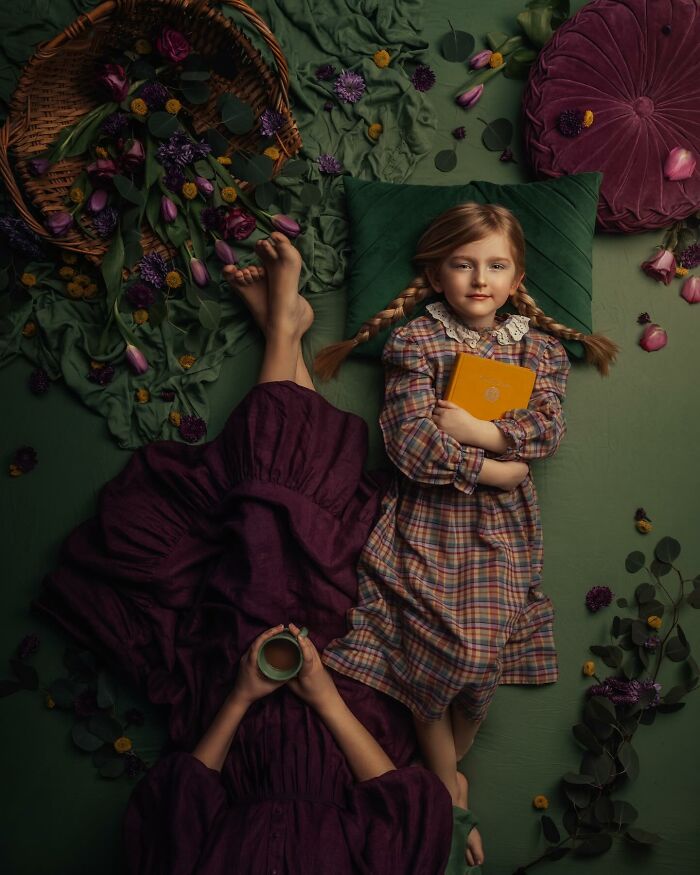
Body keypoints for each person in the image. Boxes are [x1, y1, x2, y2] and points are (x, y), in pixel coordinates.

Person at [36, 233, 476, 874]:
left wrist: (241, 695)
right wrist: (324, 695)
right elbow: (408, 804)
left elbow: (175, 804)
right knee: (306, 538)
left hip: (235, 718)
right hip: (349, 713)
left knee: (260, 546)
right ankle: (282, 332)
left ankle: (283, 332)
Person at [317, 203, 619, 867]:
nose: (479, 278)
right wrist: (492, 469)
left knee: (480, 657)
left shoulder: (539, 351)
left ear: (516, 276)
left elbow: (546, 429)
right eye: (462, 263)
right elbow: (409, 442)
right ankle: (449, 790)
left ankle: (442, 774)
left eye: (495, 265)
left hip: (505, 529)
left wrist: (484, 432)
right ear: (435, 272)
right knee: (435, 647)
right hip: (425, 519)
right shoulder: (416, 342)